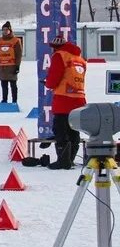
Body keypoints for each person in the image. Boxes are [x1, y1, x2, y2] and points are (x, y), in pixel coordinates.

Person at [44, 35, 87, 170]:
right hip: (79, 100)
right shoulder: (80, 59)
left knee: (60, 130)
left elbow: (54, 78)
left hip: (63, 99)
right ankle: (71, 159)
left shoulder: (59, 56)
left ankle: (63, 160)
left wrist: (48, 84)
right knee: (74, 130)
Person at [0, 21, 22, 103]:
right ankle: (4, 100)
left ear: (10, 30)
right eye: (3, 30)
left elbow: (18, 54)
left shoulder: (15, 41)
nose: (5, 31)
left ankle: (14, 101)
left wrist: (17, 66)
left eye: (6, 30)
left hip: (12, 66)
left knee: (13, 85)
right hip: (2, 67)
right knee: (3, 85)